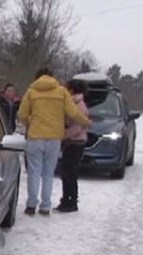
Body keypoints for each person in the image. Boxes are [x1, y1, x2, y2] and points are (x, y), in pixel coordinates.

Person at [17, 68, 91, 216]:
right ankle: (45, 206)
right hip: (54, 138)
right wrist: (86, 122)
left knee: (34, 172)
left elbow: (22, 114)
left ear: (37, 78)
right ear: (52, 77)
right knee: (48, 174)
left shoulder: (31, 91)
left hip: (36, 136)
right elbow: (73, 113)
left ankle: (31, 205)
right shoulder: (61, 92)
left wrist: (29, 125)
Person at [56, 79, 90, 213]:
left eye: (67, 87)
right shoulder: (74, 103)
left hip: (75, 142)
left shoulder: (78, 105)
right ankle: (66, 200)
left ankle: (71, 201)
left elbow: (77, 127)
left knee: (70, 173)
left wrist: (62, 135)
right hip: (73, 142)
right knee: (67, 173)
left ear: (72, 90)